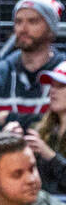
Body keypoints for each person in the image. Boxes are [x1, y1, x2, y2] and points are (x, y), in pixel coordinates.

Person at [0, 0, 65, 143]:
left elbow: (62, 128)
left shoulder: (63, 71)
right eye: (18, 21)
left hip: (52, 162)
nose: (23, 28)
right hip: (7, 160)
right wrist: (4, 133)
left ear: (50, 29)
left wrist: (7, 117)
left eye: (33, 21)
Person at [29, 63, 66, 193]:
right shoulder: (42, 129)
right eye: (52, 85)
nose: (52, 91)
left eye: (61, 86)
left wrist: (49, 155)